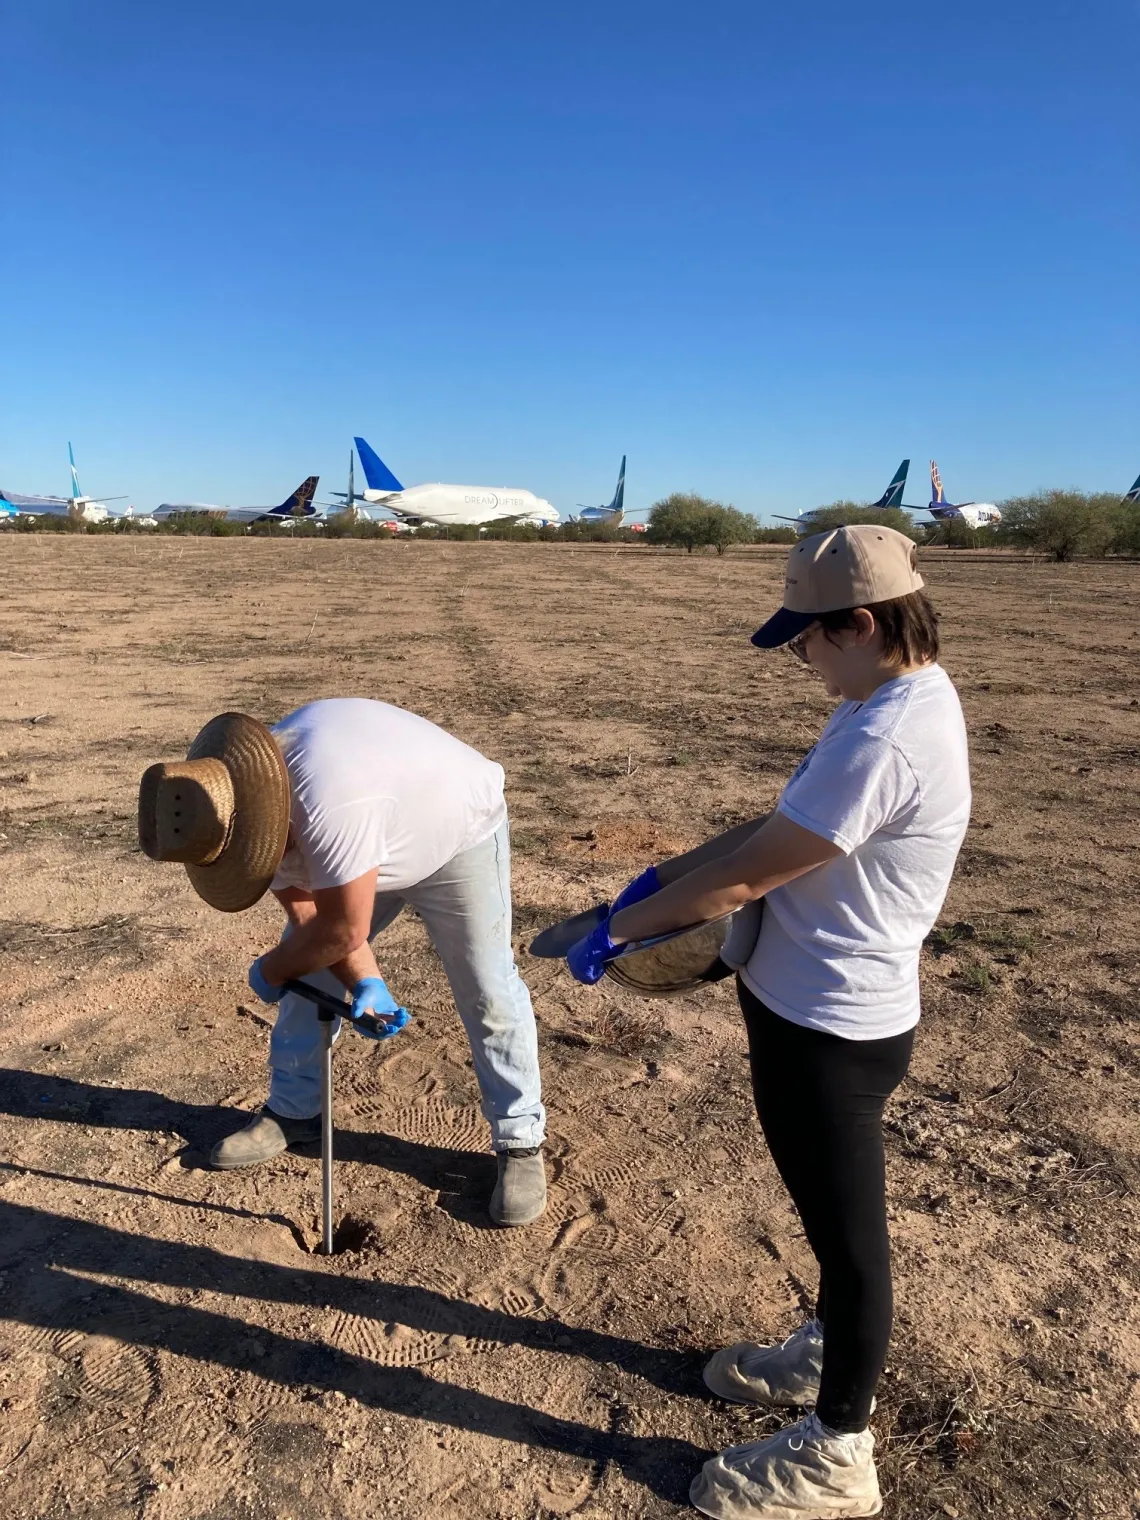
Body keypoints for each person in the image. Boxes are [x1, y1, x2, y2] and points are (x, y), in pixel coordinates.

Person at [567, 525, 971, 1519]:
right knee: (831, 1225)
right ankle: (831, 1343)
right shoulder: (883, 698)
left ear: (863, 622)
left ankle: (840, 1449)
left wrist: (620, 930)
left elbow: (751, 876)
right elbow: (770, 828)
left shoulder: (885, 734)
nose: (800, 652)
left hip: (833, 1026)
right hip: (805, 1007)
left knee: (850, 1239)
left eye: (808, 635)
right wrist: (661, 878)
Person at [138, 698, 547, 1227]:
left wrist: (271, 970)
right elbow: (313, 926)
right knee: (309, 971)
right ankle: (293, 1111)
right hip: (366, 834)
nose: (255, 864)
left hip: (454, 831)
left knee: (486, 986)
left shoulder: (329, 802)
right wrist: (365, 980)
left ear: (262, 819)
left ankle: (519, 1141)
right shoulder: (245, 811)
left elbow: (341, 930)